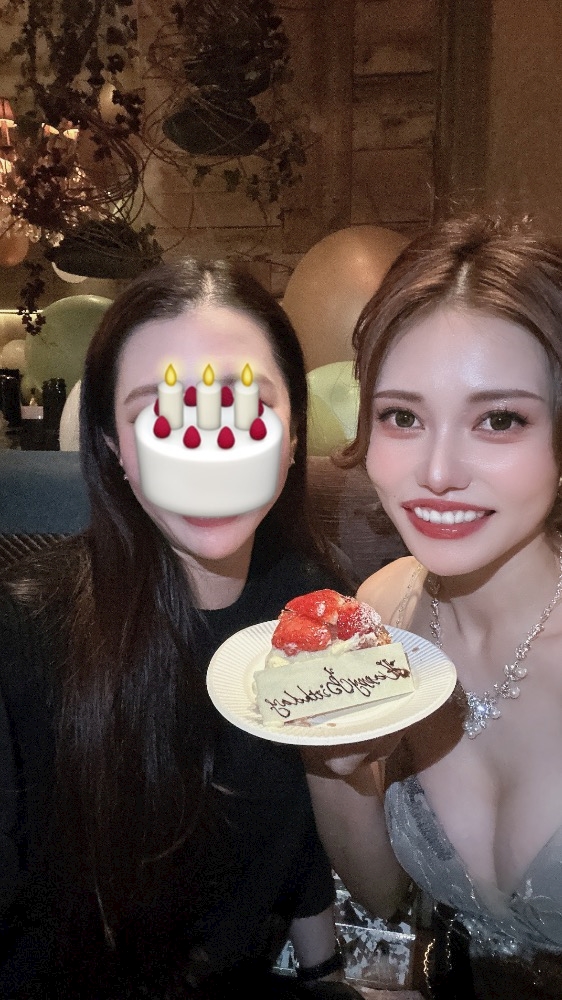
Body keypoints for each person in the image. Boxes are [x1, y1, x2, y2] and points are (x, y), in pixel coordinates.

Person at [0, 259, 359, 998]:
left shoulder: (314, 608)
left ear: (294, 433)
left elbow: (299, 833)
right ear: (112, 444)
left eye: (244, 406)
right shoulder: (22, 630)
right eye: (159, 415)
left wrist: (326, 973)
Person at [304, 215, 562, 998]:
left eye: (499, 419)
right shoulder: (383, 612)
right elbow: (386, 894)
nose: (438, 470)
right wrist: (334, 761)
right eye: (403, 416)